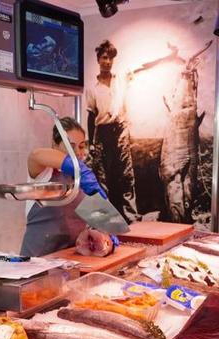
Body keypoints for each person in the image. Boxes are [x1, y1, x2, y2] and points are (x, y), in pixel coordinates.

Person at [19, 117, 113, 257]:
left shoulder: (82, 180)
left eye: (81, 146)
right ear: (55, 145)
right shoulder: (44, 172)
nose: (77, 151)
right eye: (70, 145)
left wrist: (106, 235)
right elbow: (35, 156)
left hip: (68, 262)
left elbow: (101, 222)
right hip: (35, 263)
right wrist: (78, 168)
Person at [86, 39, 140, 222]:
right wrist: (92, 144)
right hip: (103, 132)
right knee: (102, 176)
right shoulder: (92, 88)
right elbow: (91, 116)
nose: (107, 62)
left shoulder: (121, 80)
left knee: (126, 174)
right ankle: (105, 220)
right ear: (98, 59)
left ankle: (132, 218)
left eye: (110, 59)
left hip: (121, 130)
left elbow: (142, 66)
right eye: (104, 58)